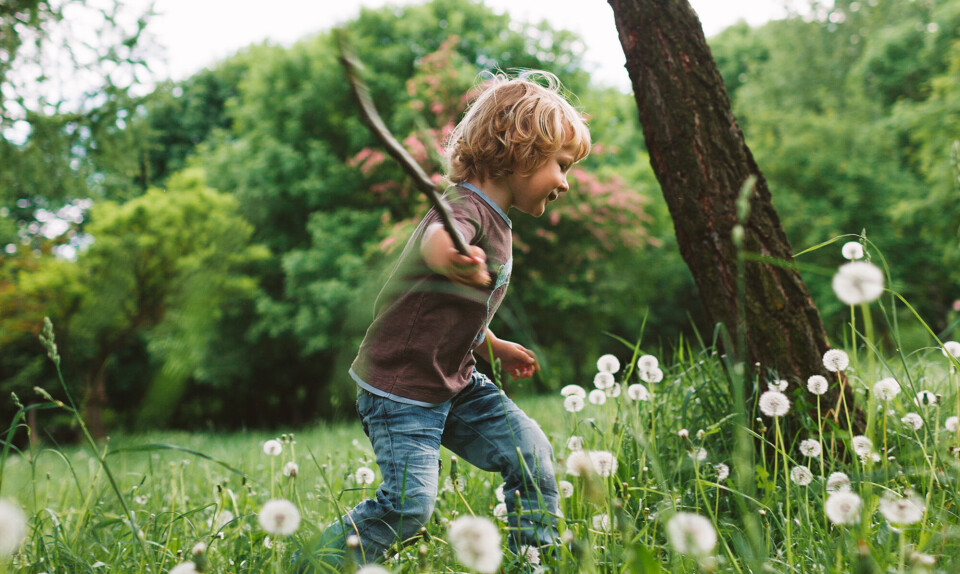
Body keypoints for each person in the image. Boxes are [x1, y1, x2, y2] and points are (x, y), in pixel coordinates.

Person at [300, 70, 591, 570]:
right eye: (561, 165)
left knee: (531, 456)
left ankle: (532, 556)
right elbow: (439, 235)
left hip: (455, 382)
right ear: (519, 151)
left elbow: (457, 314)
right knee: (408, 508)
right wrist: (448, 258)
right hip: (401, 389)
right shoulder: (465, 208)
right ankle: (317, 564)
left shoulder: (498, 221)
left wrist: (491, 345)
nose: (565, 182)